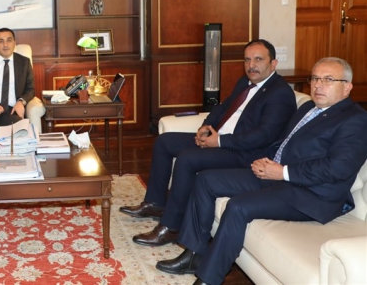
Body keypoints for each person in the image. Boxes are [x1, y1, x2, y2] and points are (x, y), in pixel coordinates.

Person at [156, 57, 367, 285]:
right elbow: (282, 142)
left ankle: (209, 279)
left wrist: (283, 171)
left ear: (347, 87)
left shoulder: (355, 120)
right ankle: (194, 255)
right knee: (206, 180)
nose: (318, 85)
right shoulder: (308, 107)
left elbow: (337, 168)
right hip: (277, 176)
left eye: (328, 80)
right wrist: (265, 161)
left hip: (312, 194)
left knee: (238, 206)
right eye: (315, 78)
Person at [120, 39, 296, 247]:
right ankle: (155, 203)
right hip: (221, 140)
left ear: (273, 63)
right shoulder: (245, 82)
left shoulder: (280, 93)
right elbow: (223, 108)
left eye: (258, 60)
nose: (251, 65)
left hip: (245, 153)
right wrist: (206, 126)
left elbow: (263, 136)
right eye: (247, 60)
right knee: (164, 142)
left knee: (187, 158)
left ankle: (172, 226)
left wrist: (219, 141)